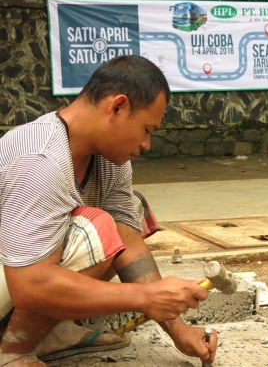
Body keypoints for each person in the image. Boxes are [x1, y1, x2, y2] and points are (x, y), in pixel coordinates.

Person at [0, 55, 218, 366]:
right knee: (95, 228)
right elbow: (28, 285)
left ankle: (52, 333)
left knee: (131, 210)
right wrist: (146, 298)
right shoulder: (41, 160)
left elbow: (127, 238)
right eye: (146, 129)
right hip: (16, 279)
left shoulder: (111, 161)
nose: (146, 144)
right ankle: (12, 353)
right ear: (117, 107)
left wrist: (178, 329)